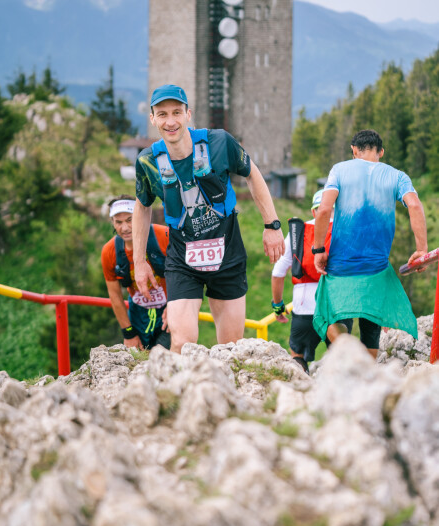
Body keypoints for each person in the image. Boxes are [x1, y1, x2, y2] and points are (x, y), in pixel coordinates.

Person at [132, 84, 285, 353]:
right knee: (182, 342)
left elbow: (252, 174)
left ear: (188, 114)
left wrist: (271, 225)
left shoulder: (218, 143)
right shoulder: (148, 161)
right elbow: (142, 206)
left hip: (227, 254)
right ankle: (184, 394)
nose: (171, 121)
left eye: (177, 113)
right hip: (182, 258)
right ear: (153, 118)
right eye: (163, 114)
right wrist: (139, 261)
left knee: (230, 348)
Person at [312, 129, 428, 357]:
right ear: (381, 152)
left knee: (329, 315)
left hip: (341, 266)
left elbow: (324, 209)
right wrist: (421, 249)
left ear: (354, 151)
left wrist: (318, 249)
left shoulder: (339, 170)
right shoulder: (397, 176)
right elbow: (415, 206)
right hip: (376, 268)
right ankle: (367, 374)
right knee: (371, 328)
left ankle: (347, 351)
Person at [271, 189, 352, 373]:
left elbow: (278, 272)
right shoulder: (347, 230)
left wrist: (278, 306)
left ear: (314, 211)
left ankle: (300, 392)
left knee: (297, 356)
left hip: (304, 305)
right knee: (342, 357)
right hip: (340, 305)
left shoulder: (298, 232)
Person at [101, 194, 171, 350]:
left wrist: (176, 305)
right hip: (138, 312)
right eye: (118, 222)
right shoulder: (110, 251)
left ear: (140, 217)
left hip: (170, 306)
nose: (124, 228)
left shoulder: (164, 236)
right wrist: (128, 333)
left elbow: (187, 274)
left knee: (162, 357)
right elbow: (115, 295)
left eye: (130, 220)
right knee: (140, 360)